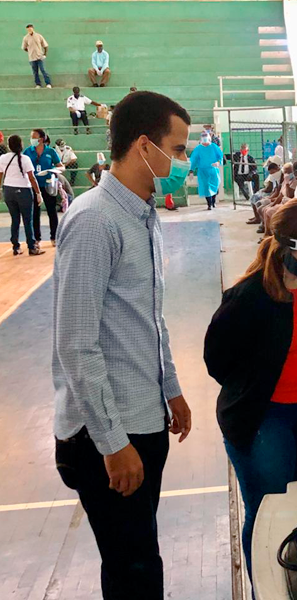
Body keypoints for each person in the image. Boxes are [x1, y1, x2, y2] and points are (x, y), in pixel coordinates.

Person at [52, 90, 193, 600]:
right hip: (108, 435)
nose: (182, 162)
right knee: (132, 565)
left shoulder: (142, 214)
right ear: (143, 147)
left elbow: (146, 319)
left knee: (139, 554)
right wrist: (113, 443)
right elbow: (76, 342)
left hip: (143, 414)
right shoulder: (95, 221)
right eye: (177, 150)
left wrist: (170, 388)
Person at [204, 198, 297, 580]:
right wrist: (257, 383)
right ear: (283, 246)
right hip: (264, 417)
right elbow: (217, 362)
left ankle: (291, 574)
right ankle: (265, 583)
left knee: (296, 502)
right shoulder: (248, 297)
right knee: (266, 509)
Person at [0, 134, 46, 256]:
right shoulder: (25, 158)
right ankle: (31, 247)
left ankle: (16, 247)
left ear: (9, 146)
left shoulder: (3, 158)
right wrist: (38, 193)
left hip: (8, 190)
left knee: (15, 219)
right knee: (27, 220)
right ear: (21, 144)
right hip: (24, 190)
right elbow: (32, 178)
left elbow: (0, 175)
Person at [24, 129, 63, 248]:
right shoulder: (28, 151)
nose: (32, 139)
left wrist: (54, 171)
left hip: (47, 185)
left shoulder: (50, 151)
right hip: (33, 186)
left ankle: (54, 237)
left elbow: (61, 166)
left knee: (52, 211)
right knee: (35, 213)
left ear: (41, 139)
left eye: (34, 137)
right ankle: (37, 238)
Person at [190, 131, 223, 209]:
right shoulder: (198, 149)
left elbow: (220, 156)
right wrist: (191, 170)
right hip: (203, 171)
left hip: (213, 170)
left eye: (206, 140)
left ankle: (213, 201)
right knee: (206, 187)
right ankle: (209, 204)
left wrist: (218, 162)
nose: (205, 142)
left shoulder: (214, 147)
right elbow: (194, 159)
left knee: (214, 186)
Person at [22, 24, 51, 89]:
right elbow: (24, 47)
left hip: (40, 57)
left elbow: (45, 45)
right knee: (35, 72)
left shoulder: (39, 36)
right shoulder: (26, 38)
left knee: (43, 70)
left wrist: (45, 54)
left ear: (33, 28)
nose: (29, 30)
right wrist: (30, 51)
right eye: (28, 29)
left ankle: (48, 83)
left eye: (30, 28)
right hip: (32, 58)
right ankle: (38, 84)